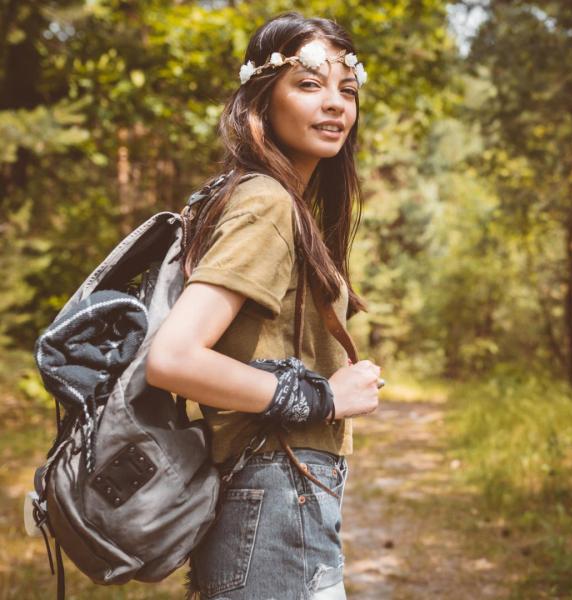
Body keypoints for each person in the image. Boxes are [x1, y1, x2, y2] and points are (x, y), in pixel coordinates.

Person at [145, 12, 381, 600]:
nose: (334, 104)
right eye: (308, 84)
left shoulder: (276, 200)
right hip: (276, 492)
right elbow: (173, 358)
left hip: (275, 492)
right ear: (261, 97)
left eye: (346, 90)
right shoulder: (267, 202)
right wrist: (325, 396)